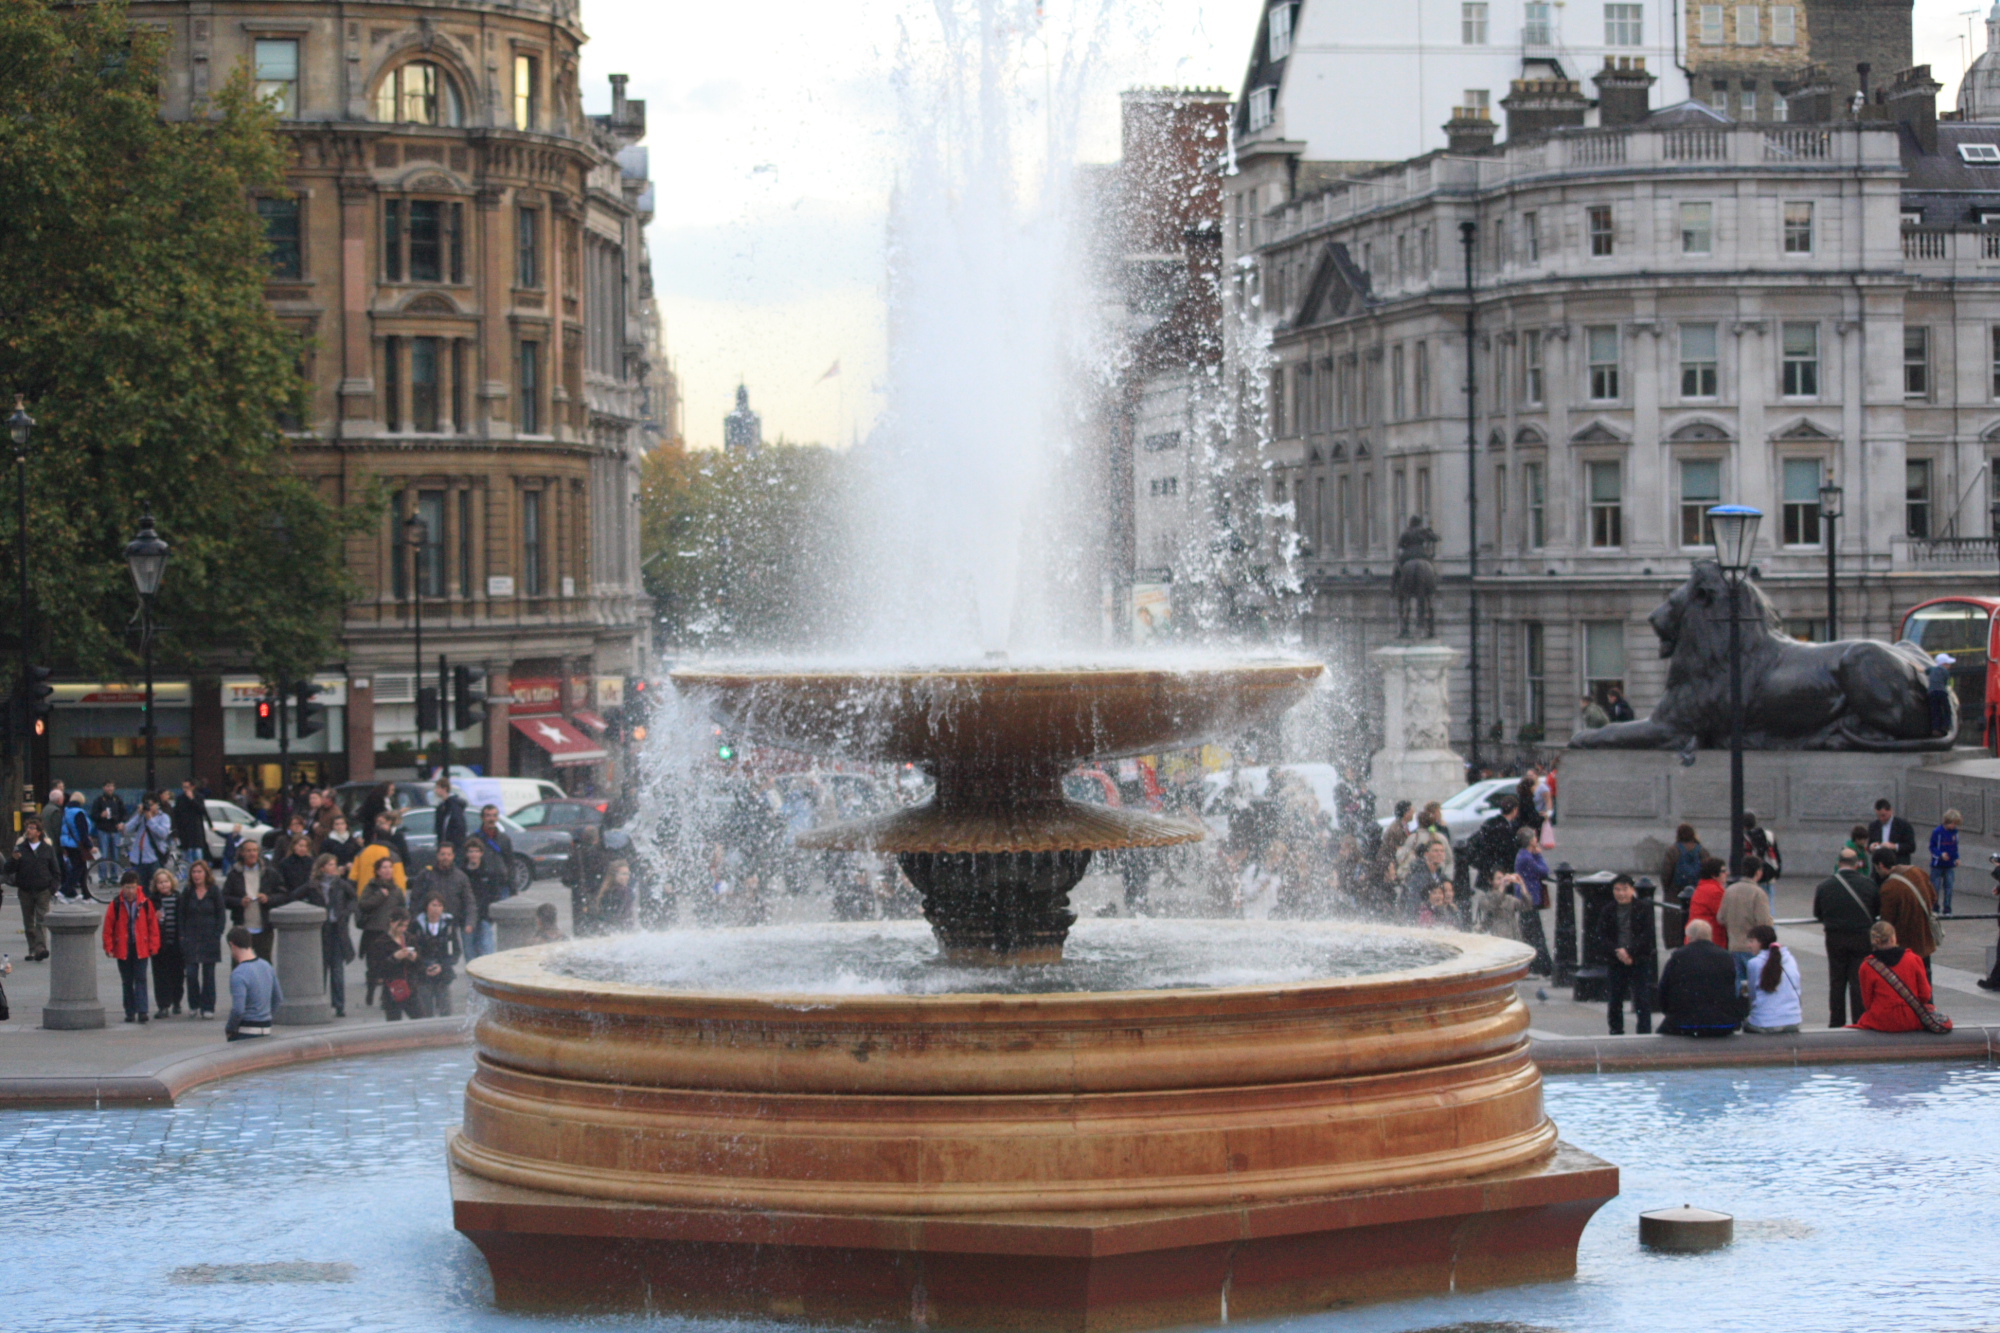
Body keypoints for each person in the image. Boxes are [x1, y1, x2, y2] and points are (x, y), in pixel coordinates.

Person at [1813, 847, 1880, 1027]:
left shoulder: (1824, 886)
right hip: (1862, 939)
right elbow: (1876, 912)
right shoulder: (1869, 885)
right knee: (1858, 982)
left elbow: (1818, 913)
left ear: (1838, 863)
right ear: (1857, 864)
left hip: (1835, 939)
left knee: (1837, 982)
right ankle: (1859, 1021)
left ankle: (1836, 1022)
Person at [1851, 921, 1950, 1033]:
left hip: (1882, 1020)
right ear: (1893, 938)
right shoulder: (1913, 959)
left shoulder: (1867, 966)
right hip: (1911, 1018)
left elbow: (1867, 1002)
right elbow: (1925, 995)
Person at [293, 853, 356, 1018]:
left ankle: (339, 1004)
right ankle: (318, 1001)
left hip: (337, 930)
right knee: (320, 969)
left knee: (337, 969)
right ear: (322, 868)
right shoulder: (314, 885)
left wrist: (346, 912)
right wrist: (310, 910)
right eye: (330, 864)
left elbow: (353, 899)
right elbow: (294, 896)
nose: (333, 867)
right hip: (321, 931)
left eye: (334, 864)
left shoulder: (341, 884)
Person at [1656, 920, 1745, 1037]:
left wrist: (1669, 1011)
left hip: (1685, 1022)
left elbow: (1664, 987)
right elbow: (1735, 988)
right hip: (1723, 1023)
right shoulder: (1725, 956)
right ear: (1710, 936)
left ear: (1689, 937)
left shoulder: (1679, 956)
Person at [1600, 873, 1657, 1035]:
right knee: (1615, 999)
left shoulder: (1643, 908)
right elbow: (1603, 936)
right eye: (1617, 889)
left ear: (1632, 890)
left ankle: (1644, 1032)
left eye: (1625, 889)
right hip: (1616, 960)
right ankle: (1616, 1030)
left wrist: (1630, 952)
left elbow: (1647, 935)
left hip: (1639, 959)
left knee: (1641, 999)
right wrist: (1618, 952)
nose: (1621, 893)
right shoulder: (1608, 910)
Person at [101, 873, 161, 1024]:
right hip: (123, 947)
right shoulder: (115, 904)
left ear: (137, 887)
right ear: (122, 887)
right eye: (127, 887)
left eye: (133, 887)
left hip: (141, 946)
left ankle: (142, 1011)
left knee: (141, 978)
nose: (130, 891)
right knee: (127, 981)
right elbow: (108, 927)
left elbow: (153, 926)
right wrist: (108, 946)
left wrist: (154, 946)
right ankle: (130, 1011)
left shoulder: (145, 903)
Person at [1873, 849, 1939, 979]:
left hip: (1906, 946)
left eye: (1876, 868)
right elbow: (1933, 897)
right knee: (1925, 981)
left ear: (1880, 865)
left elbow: (1887, 922)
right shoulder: (1917, 871)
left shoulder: (1889, 888)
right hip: (1925, 940)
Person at [357, 855, 409, 1008]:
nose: (388, 870)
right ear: (378, 871)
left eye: (390, 867)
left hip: (391, 934)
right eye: (384, 868)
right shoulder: (372, 887)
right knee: (374, 967)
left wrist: (402, 925)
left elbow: (402, 908)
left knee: (390, 966)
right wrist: (380, 896)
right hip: (373, 932)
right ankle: (371, 991)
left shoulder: (396, 890)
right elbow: (363, 905)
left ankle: (386, 997)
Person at [178, 860, 226, 1019]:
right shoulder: (187, 891)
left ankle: (208, 1006)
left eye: (199, 872)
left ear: (206, 874)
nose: (197, 875)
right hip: (191, 937)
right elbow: (181, 914)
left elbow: (221, 913)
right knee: (191, 973)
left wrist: (217, 932)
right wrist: (182, 935)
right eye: (194, 872)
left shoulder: (214, 891)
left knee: (209, 974)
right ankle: (194, 1003)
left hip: (209, 937)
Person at [9, 816, 61, 961]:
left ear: (39, 832)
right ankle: (32, 948)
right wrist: (14, 859)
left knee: (42, 919)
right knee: (28, 921)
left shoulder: (47, 849)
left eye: (32, 828)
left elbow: (56, 870)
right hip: (25, 890)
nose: (28, 831)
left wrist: (52, 888)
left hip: (43, 889)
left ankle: (40, 948)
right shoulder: (20, 848)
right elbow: (8, 869)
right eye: (27, 828)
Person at [411, 841, 473, 953]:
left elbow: (469, 901)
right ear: (437, 855)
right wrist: (414, 919)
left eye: (449, 854)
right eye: (443, 854)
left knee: (450, 954)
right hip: (428, 923)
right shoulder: (426, 874)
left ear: (453, 856)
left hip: (450, 926)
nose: (446, 857)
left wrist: (470, 922)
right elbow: (415, 898)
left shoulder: (461, 877)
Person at [1741, 925, 1803, 1034]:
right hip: (1793, 1020)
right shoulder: (1790, 959)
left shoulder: (1754, 963)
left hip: (1764, 1022)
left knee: (1745, 1024)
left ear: (1761, 942)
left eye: (1751, 941)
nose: (1748, 945)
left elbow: (1752, 996)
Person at [1511, 826, 1554, 975]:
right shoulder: (1526, 857)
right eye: (1535, 837)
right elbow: (1544, 871)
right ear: (1530, 841)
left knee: (1533, 931)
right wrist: (1539, 856)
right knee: (1534, 932)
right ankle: (1541, 964)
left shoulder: (1524, 855)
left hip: (1528, 898)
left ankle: (1539, 964)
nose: (1537, 840)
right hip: (1528, 899)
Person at [225, 926, 281, 1041]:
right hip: (266, 1028)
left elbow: (238, 1009)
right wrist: (267, 1016)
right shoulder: (266, 966)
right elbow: (278, 998)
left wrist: (229, 1029)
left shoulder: (239, 973)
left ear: (232, 945)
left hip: (246, 1030)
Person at [223, 839, 275, 961]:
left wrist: (268, 899)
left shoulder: (268, 872)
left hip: (264, 928)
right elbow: (224, 898)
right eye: (248, 850)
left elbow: (282, 894)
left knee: (264, 963)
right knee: (240, 964)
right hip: (242, 929)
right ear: (242, 853)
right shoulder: (235, 873)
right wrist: (239, 902)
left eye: (255, 850)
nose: (252, 854)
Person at [366, 910, 423, 1021]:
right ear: (391, 922)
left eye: (405, 926)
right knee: (394, 1024)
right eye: (399, 925)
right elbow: (376, 970)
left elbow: (420, 965)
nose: (402, 929)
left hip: (410, 987)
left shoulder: (410, 939)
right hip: (392, 990)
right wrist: (394, 958)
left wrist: (415, 958)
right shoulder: (381, 942)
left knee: (420, 1021)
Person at [410, 894, 460, 1017]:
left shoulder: (448, 926)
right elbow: (413, 949)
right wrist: (423, 965)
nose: (436, 908)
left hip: (443, 972)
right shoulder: (416, 925)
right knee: (425, 1009)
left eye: (439, 905)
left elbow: (455, 951)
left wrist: (442, 965)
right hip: (422, 972)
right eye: (433, 905)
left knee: (445, 1008)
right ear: (427, 907)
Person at [146, 867, 186, 1019]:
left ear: (171, 882)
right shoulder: (152, 901)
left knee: (178, 974)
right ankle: (163, 1005)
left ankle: (177, 1001)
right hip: (160, 944)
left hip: (176, 942)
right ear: (155, 885)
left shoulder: (178, 897)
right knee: (160, 975)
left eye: (166, 881)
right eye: (160, 883)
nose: (163, 885)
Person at [1716, 856, 1775, 958]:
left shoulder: (1730, 890)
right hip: (1752, 948)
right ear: (1758, 872)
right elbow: (1764, 923)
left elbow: (1720, 918)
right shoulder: (1758, 893)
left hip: (1733, 947)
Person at [1465, 792, 1522, 886]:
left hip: (1486, 874)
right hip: (1499, 876)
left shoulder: (1490, 823)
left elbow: (1474, 842)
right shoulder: (1505, 829)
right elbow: (1508, 855)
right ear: (1515, 810)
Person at [461, 837, 503, 960]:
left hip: (485, 916)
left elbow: (495, 894)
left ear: (481, 853)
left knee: (487, 947)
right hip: (467, 918)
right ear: (466, 854)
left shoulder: (489, 871)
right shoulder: (462, 873)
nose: (473, 854)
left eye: (476, 851)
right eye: (470, 851)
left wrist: (490, 915)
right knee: (469, 950)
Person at [125, 797, 172, 888]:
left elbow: (163, 834)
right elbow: (127, 829)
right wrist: (138, 815)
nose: (149, 808)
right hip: (140, 858)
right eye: (147, 805)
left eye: (151, 805)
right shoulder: (141, 816)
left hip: (154, 858)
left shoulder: (164, 817)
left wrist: (150, 819)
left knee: (156, 887)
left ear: (156, 805)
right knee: (141, 888)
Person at [1684, 856, 1728, 949]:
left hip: (1696, 938)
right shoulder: (1714, 891)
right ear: (1713, 875)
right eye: (1723, 871)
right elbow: (1723, 916)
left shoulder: (1703, 887)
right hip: (1710, 940)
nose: (1727, 873)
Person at [89, 782, 128, 880]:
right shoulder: (99, 800)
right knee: (104, 855)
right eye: (108, 786)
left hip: (115, 830)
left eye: (112, 786)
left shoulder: (117, 799)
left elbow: (124, 814)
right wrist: (100, 815)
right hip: (103, 830)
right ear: (104, 788)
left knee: (115, 854)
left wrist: (122, 823)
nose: (110, 789)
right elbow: (93, 815)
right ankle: (103, 878)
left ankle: (114, 877)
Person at [58, 792, 94, 899]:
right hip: (76, 844)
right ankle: (64, 890)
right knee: (78, 868)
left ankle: (86, 894)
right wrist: (89, 845)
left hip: (67, 842)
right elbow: (82, 831)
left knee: (81, 869)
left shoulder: (66, 811)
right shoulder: (78, 812)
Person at [170, 778, 214, 866]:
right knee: (186, 858)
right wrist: (175, 831)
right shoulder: (180, 799)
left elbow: (202, 810)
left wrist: (192, 799)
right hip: (184, 831)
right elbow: (175, 815)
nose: (185, 789)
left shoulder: (198, 797)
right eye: (183, 787)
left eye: (187, 787)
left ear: (193, 787)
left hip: (196, 831)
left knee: (197, 855)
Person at [590, 860, 637, 933]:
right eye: (623, 874)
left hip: (609, 930)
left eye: (628, 874)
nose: (627, 877)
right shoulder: (621, 891)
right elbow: (618, 916)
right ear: (615, 875)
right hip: (620, 931)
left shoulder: (607, 890)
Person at [1930, 809, 1961, 917]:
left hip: (1949, 865)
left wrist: (1957, 858)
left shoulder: (1955, 833)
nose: (1954, 826)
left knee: (1949, 887)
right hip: (1938, 865)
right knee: (1935, 887)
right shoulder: (1938, 832)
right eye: (1953, 823)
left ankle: (1947, 908)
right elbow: (1932, 847)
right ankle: (1935, 907)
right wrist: (1940, 854)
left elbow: (1955, 847)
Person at [1867, 798, 1916, 866]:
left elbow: (1911, 846)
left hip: (1898, 865)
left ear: (1890, 811)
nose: (1881, 818)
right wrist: (1871, 846)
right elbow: (1868, 844)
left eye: (1883, 815)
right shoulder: (1873, 826)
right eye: (1878, 816)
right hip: (1879, 867)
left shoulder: (1903, 825)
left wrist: (1894, 846)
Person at [433, 778, 469, 848]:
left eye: (437, 788)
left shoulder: (453, 806)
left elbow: (456, 825)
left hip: (452, 845)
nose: (435, 791)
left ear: (444, 789)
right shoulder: (442, 806)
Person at [1927, 652, 1956, 736]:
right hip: (1941, 692)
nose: (1949, 666)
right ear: (1944, 664)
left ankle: (1935, 729)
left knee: (1935, 711)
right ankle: (1946, 726)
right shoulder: (1945, 671)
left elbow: (1922, 670)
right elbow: (1946, 684)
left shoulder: (1932, 669)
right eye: (1948, 664)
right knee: (1947, 709)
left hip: (1931, 692)